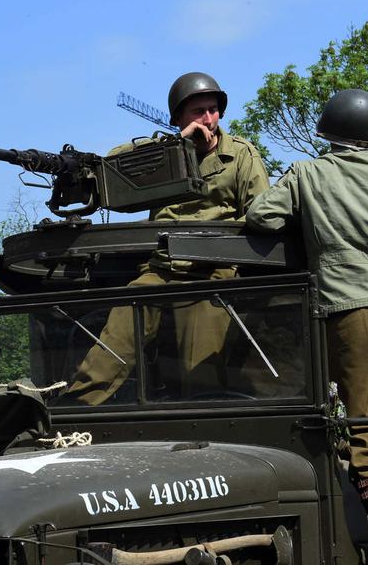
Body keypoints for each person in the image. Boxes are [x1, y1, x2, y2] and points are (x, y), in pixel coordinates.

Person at [245, 89, 368, 562]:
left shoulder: (309, 173)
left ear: (328, 132)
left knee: (359, 409)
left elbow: (261, 216)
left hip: (348, 306)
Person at [65, 72, 270, 405]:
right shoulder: (164, 153)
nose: (208, 118)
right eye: (198, 111)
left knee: (201, 365)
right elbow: (113, 170)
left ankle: (202, 424)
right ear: (178, 119)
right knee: (119, 332)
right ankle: (73, 413)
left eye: (213, 109)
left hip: (213, 272)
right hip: (161, 267)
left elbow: (261, 215)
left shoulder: (242, 156)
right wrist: (174, 146)